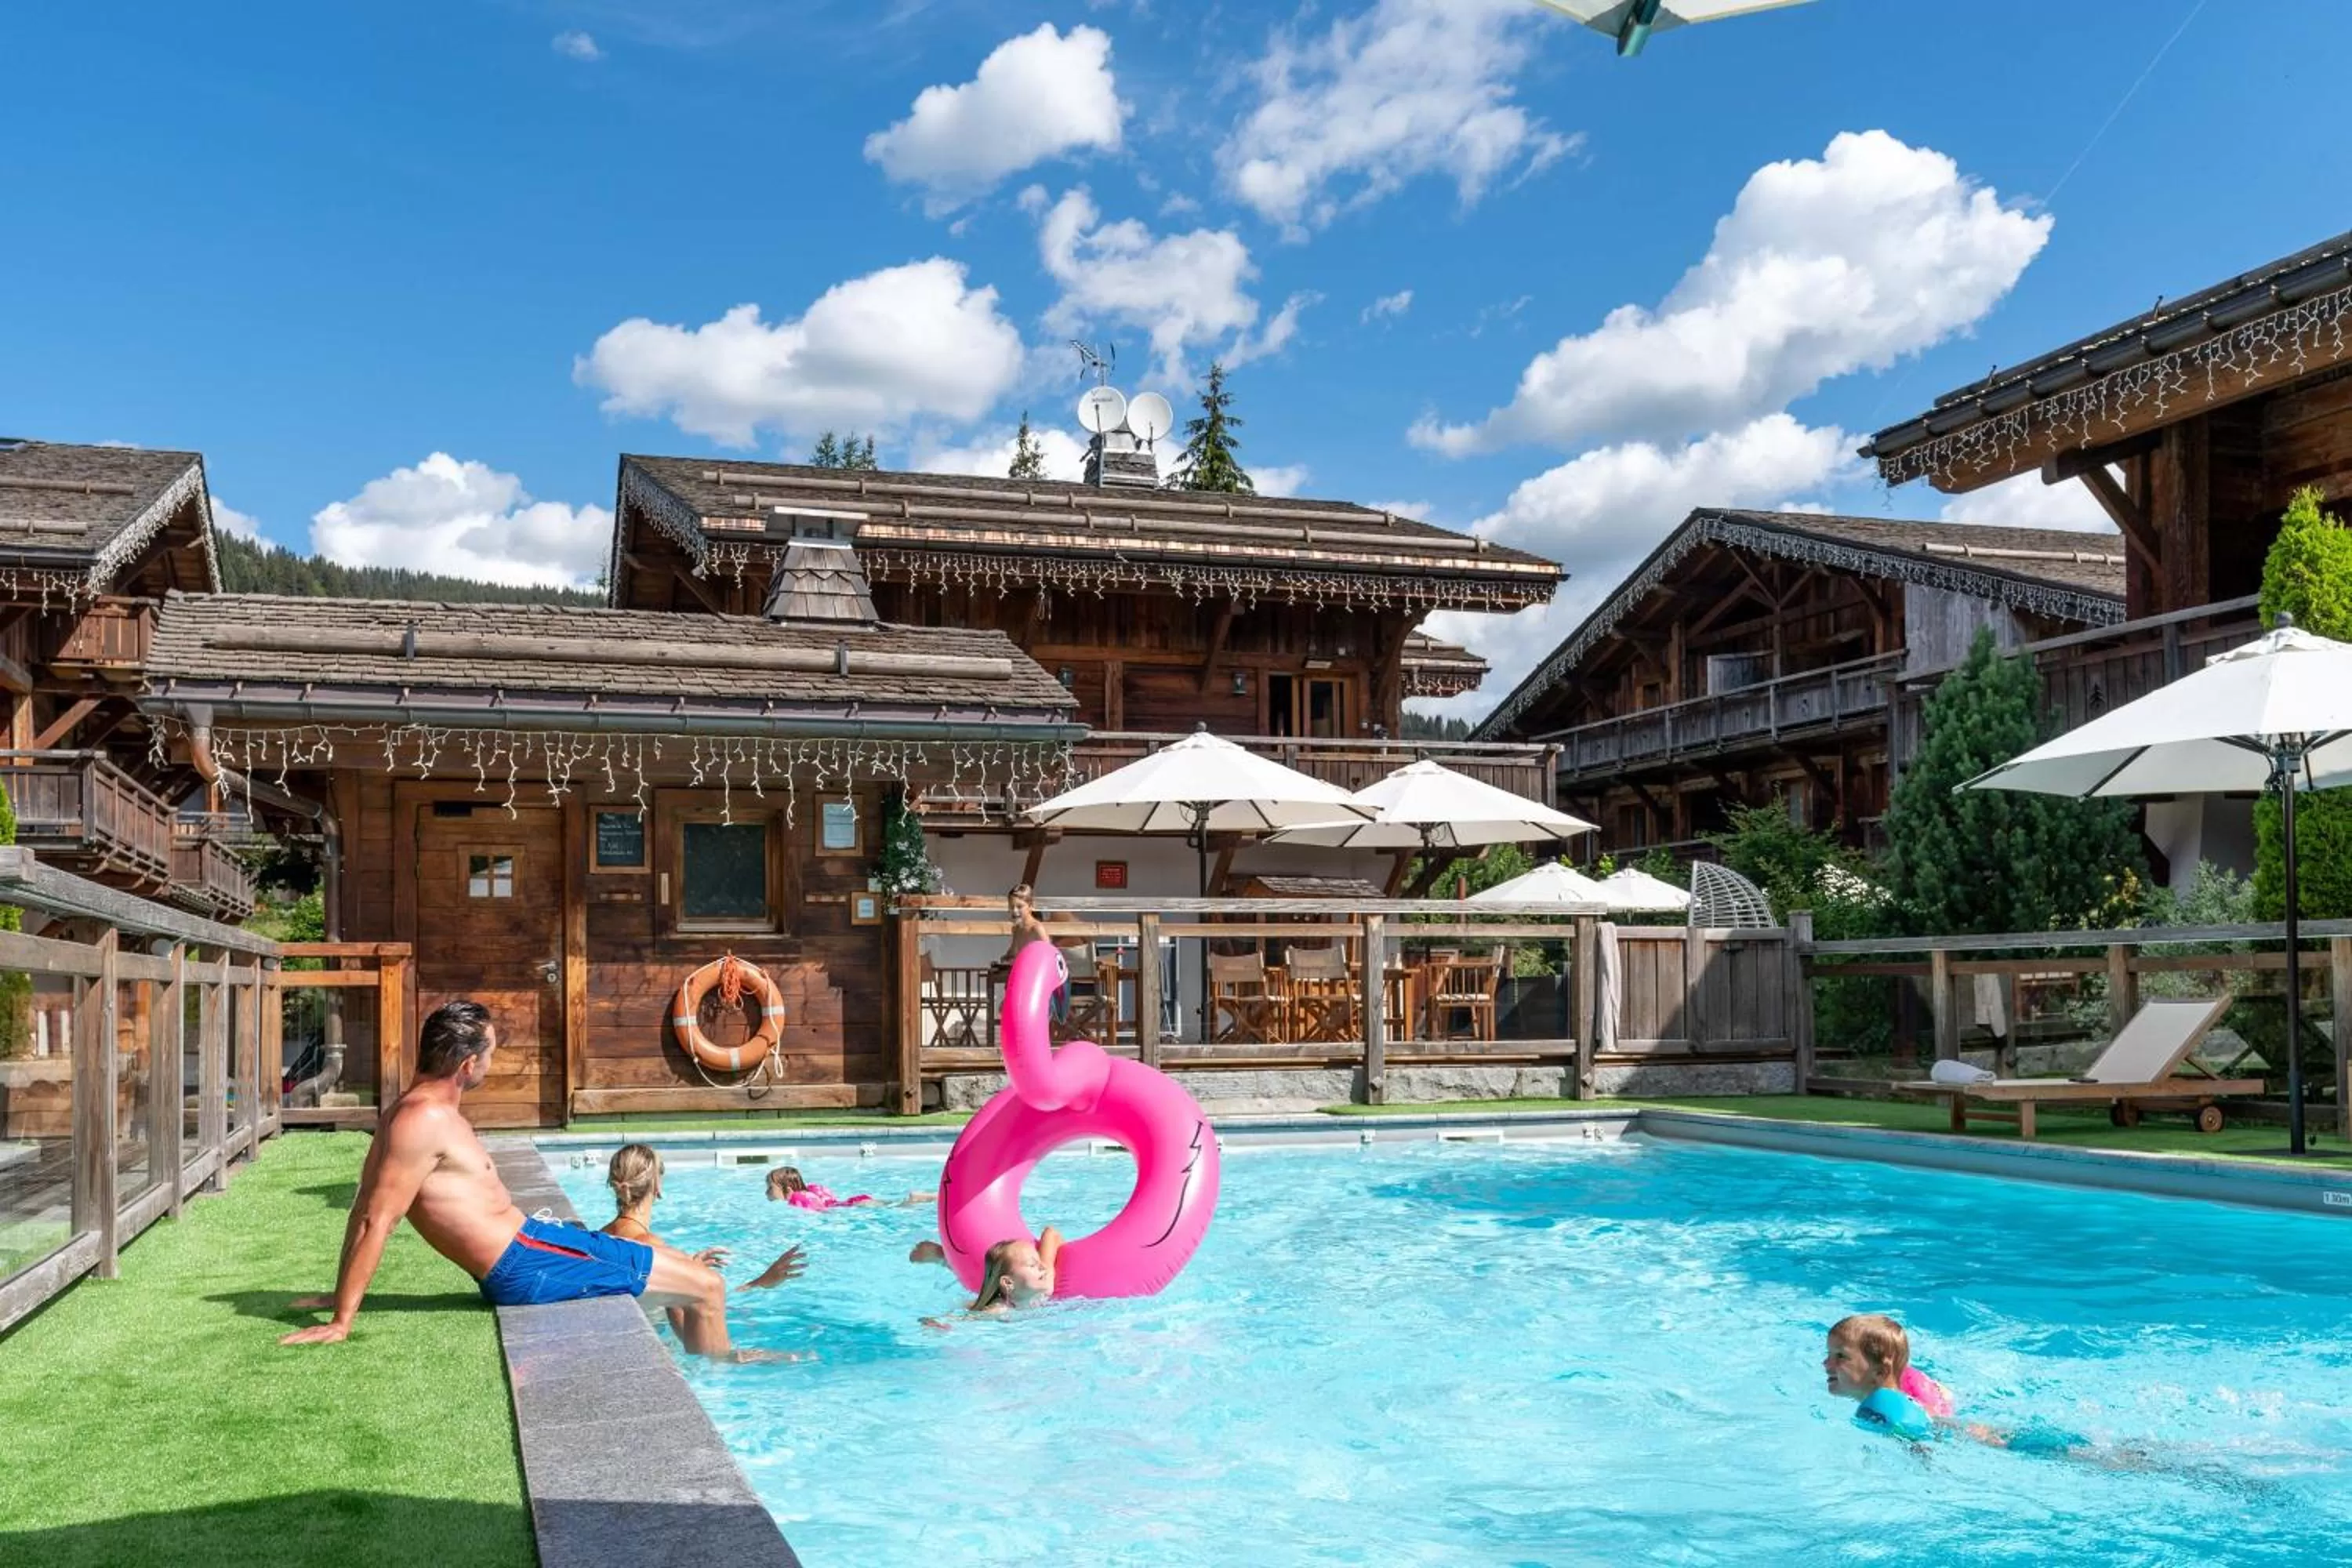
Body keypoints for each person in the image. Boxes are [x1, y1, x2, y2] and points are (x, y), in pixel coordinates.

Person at [281, 1001, 742, 1359]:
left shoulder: (408, 1112)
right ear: (466, 1065)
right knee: (708, 1286)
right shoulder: (422, 1120)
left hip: (532, 1248)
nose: (491, 1063)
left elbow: (364, 1207)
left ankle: (702, 1354)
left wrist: (341, 1294)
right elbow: (373, 1219)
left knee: (679, 1267)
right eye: (491, 1054)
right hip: (526, 1263)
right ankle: (723, 1385)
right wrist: (343, 1320)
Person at [909, 1226, 1063, 1327]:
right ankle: (944, 1258)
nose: (1042, 1266)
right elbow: (966, 1319)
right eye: (1032, 1264)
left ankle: (945, 1259)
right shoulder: (1000, 1309)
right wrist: (940, 1323)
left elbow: (1051, 1233)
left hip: (998, 1286)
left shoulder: (1046, 1281)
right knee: (976, 1297)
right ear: (1008, 1283)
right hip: (989, 1299)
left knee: (981, 1281)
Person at [764, 1165, 929, 1210]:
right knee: (892, 1204)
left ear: (788, 1191)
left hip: (854, 1208)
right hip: (853, 1202)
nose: (767, 1193)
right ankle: (913, 1199)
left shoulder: (796, 1199)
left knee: (897, 1207)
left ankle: (913, 1200)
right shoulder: (810, 1191)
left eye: (771, 1188)